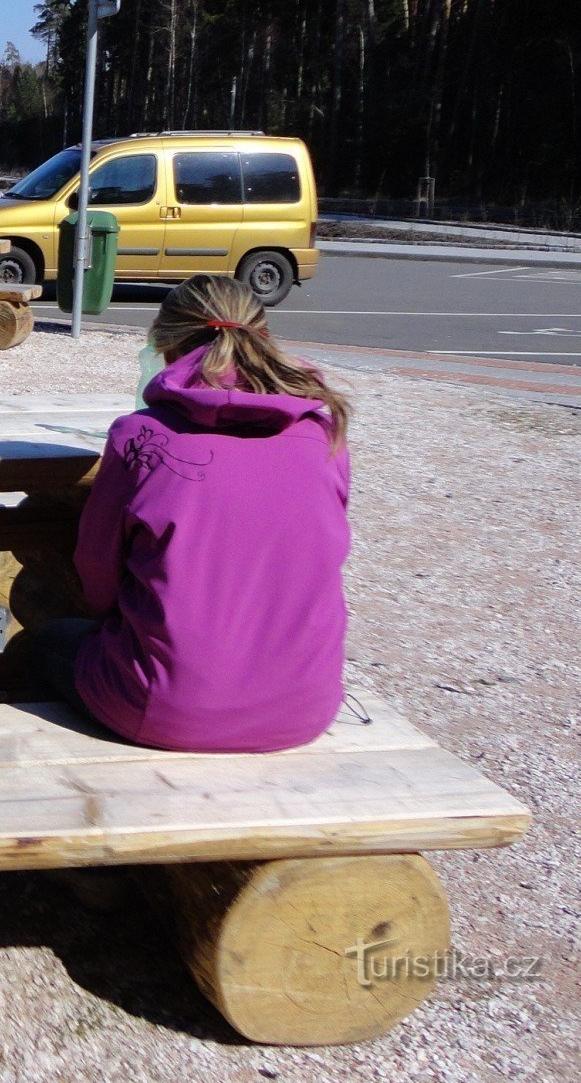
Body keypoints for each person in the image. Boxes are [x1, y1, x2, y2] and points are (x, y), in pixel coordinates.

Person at [36, 275, 353, 752]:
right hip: (305, 709)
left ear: (165, 346)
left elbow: (97, 570)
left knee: (51, 641)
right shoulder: (321, 432)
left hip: (162, 711)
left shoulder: (140, 435)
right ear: (262, 340)